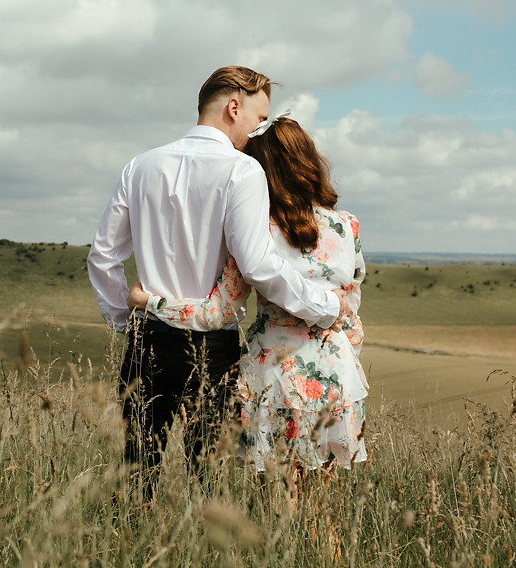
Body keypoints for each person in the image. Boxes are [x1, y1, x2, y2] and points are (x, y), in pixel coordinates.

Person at [88, 67, 346, 499]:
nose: (256, 131)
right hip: (211, 352)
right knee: (204, 484)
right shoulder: (243, 171)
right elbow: (258, 267)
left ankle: (123, 553)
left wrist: (124, 322)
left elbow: (103, 256)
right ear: (233, 107)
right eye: (258, 118)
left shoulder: (141, 166)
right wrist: (324, 306)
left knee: (135, 474)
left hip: (146, 339)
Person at [128, 117, 368, 473]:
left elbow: (216, 313)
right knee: (319, 512)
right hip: (338, 378)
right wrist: (344, 367)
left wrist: (149, 301)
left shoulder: (258, 233)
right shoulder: (348, 226)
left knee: (274, 508)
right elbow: (350, 313)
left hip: (273, 377)